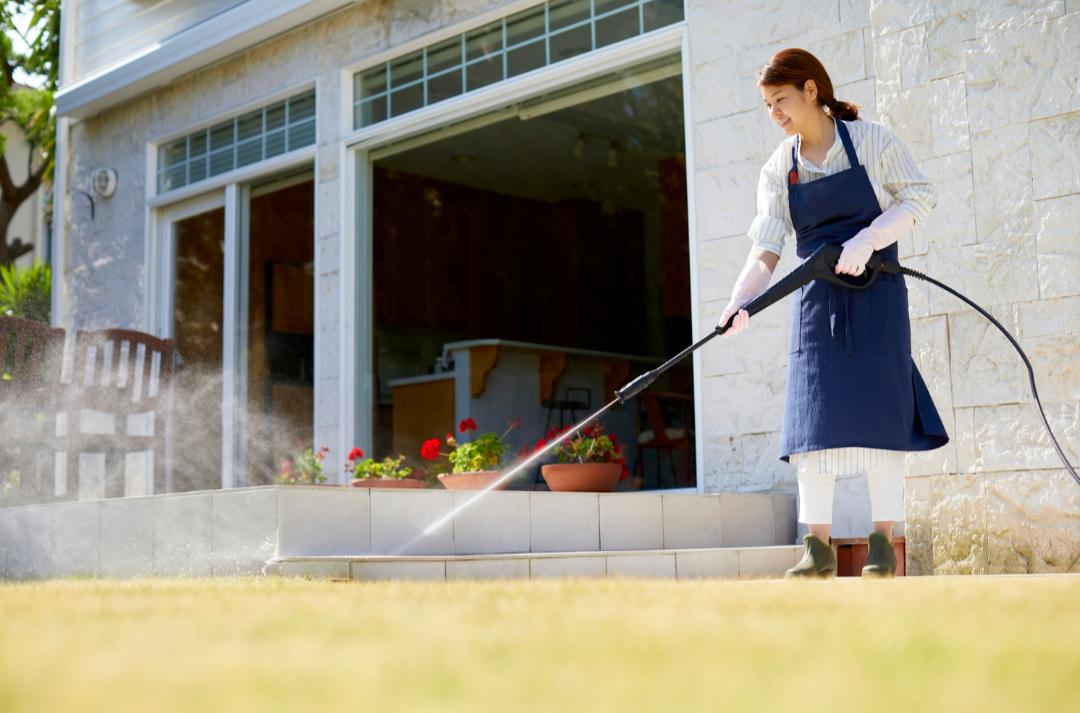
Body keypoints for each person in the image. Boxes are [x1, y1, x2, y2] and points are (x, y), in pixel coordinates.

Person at [718, 49, 949, 578]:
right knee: (811, 422)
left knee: (884, 418)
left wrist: (868, 239)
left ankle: (884, 546)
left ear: (811, 91)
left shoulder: (871, 141)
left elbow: (920, 197)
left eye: (780, 101)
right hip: (816, 303)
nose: (774, 113)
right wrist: (739, 300)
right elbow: (766, 248)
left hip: (878, 294)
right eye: (767, 105)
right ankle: (817, 550)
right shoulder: (781, 167)